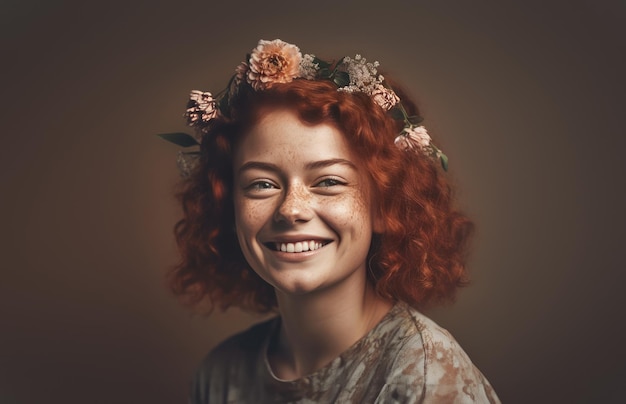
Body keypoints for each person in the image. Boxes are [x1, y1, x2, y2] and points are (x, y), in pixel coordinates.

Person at [161, 39, 500, 403]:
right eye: (261, 184)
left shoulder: (424, 376)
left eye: (328, 182)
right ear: (229, 208)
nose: (291, 209)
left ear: (385, 206)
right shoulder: (221, 375)